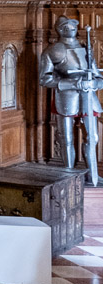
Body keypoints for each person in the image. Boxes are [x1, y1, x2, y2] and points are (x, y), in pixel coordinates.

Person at [39, 15, 96, 171]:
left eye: (73, 26)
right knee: (67, 139)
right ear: (60, 29)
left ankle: (91, 173)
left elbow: (97, 75)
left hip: (88, 94)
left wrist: (94, 83)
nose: (71, 29)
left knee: (92, 138)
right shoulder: (53, 50)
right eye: (67, 26)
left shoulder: (86, 48)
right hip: (66, 96)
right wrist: (71, 83)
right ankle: (69, 174)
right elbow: (44, 79)